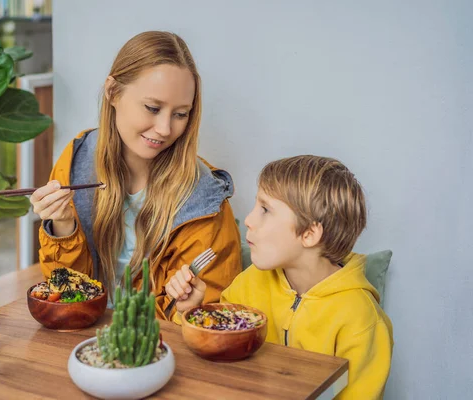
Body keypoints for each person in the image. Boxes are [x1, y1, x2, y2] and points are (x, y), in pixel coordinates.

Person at [30, 31, 241, 320]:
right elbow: (66, 294)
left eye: (181, 114)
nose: (166, 129)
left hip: (154, 349)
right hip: (81, 338)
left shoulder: (204, 201)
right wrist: (63, 227)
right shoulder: (76, 161)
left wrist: (188, 309)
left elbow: (210, 318)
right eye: (153, 108)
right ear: (113, 92)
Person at [166, 155, 393, 398]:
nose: (250, 220)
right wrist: (189, 312)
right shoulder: (251, 281)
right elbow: (215, 357)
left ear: (309, 234)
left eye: (265, 209)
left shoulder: (361, 320)